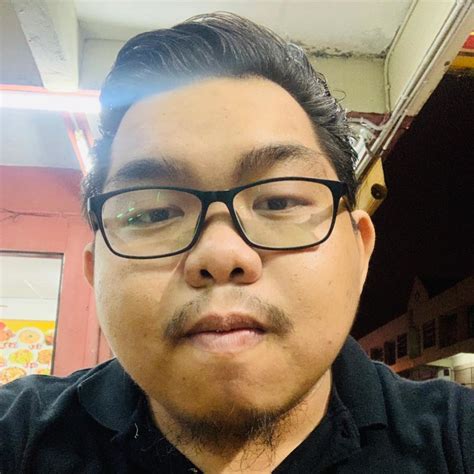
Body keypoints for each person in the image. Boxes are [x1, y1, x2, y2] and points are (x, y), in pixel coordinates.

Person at [1, 12, 473, 474]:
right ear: (94, 270)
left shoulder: (458, 438)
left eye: (279, 201)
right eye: (154, 213)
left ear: (360, 250)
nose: (221, 254)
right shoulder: (18, 439)